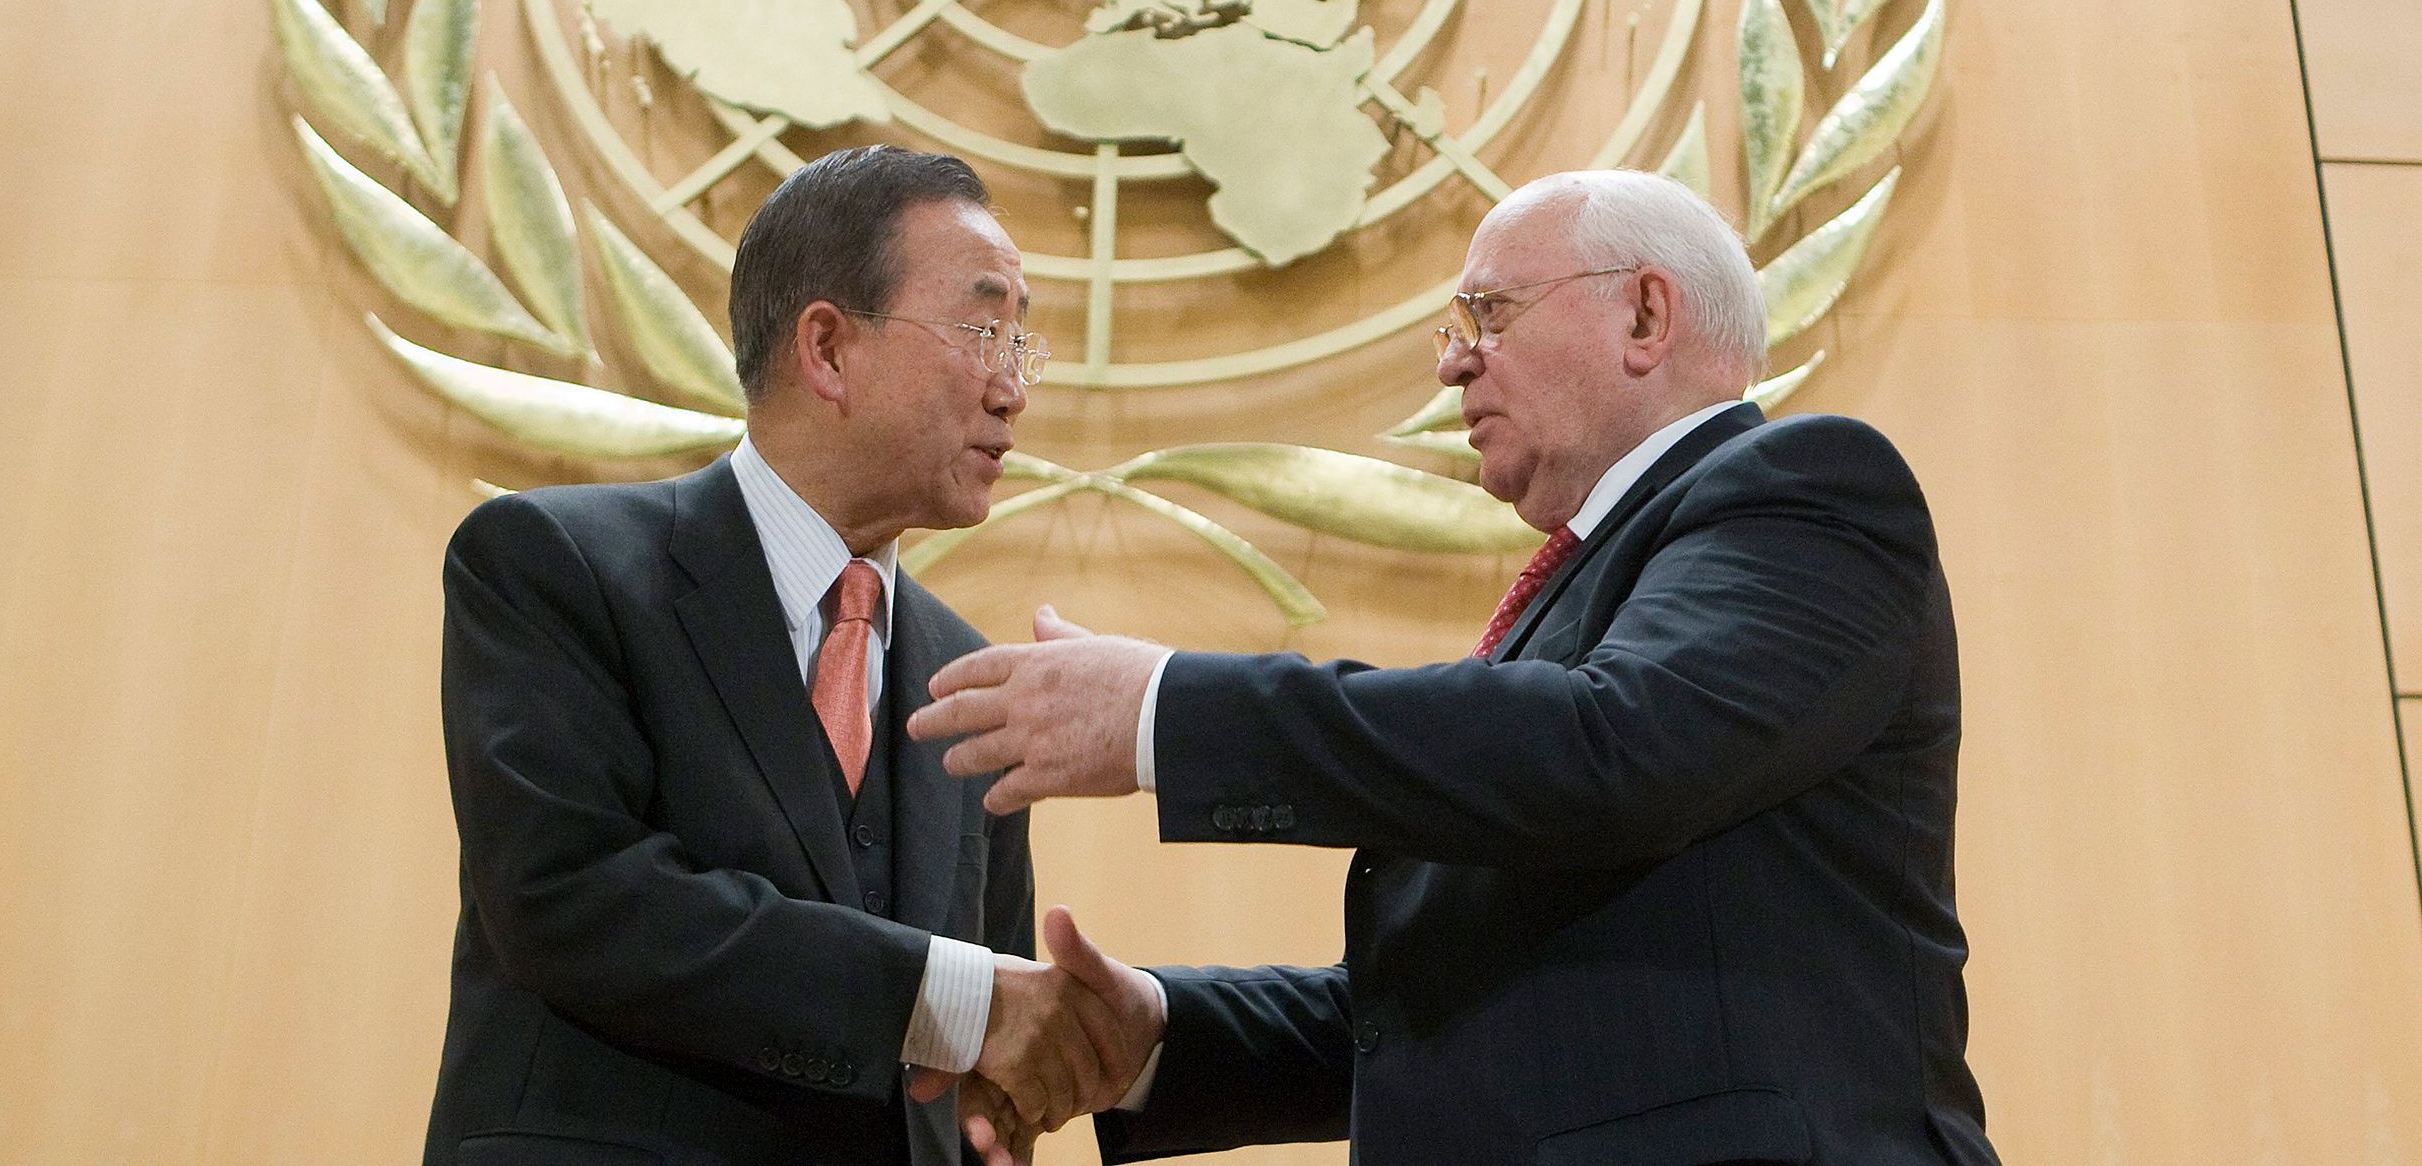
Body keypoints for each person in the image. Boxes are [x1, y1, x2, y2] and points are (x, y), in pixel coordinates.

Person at [911, 168, 2002, 1164]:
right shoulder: (1577, 600)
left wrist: (1164, 712)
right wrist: (1152, 1037)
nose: (1449, 359)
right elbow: (1428, 1012)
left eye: (1487, 312)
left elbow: (1610, 749)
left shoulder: (1804, 491)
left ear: (1644, 313)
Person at [424, 145, 1130, 1166]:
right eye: (984, 330)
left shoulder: (974, 680)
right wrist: (949, 1001)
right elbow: (568, 896)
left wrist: (1004, 1095)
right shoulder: (554, 565)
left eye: (1023, 341)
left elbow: (983, 1058)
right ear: (829, 349)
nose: (1013, 387)